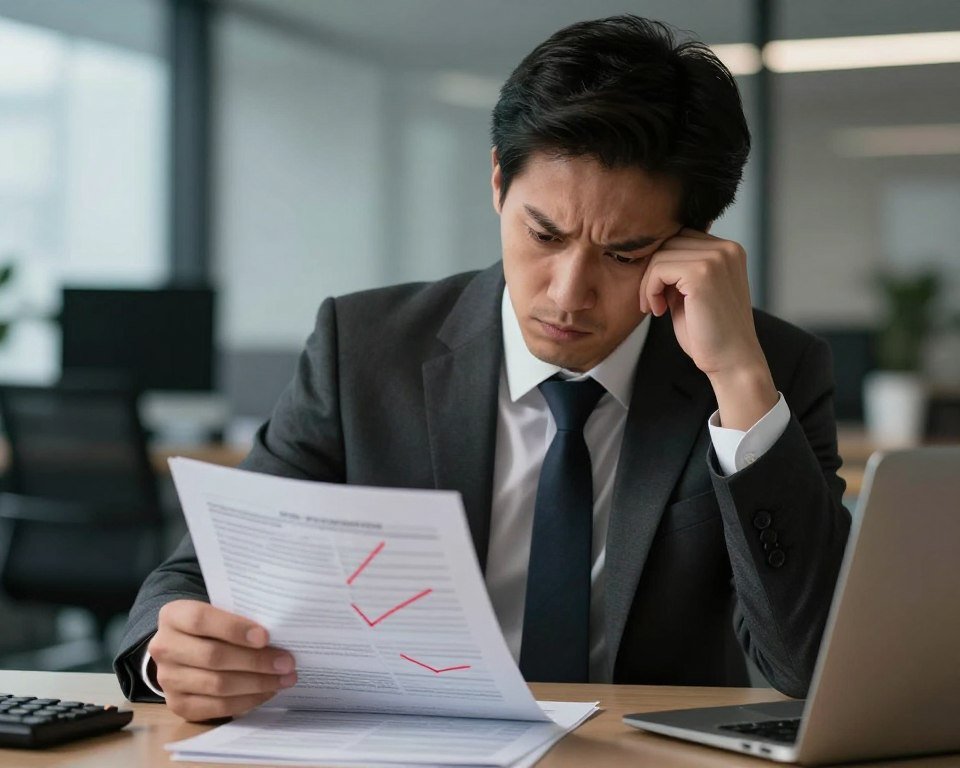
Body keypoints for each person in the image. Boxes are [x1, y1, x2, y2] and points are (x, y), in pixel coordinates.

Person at [115, 15, 850, 723]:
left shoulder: (771, 369)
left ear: (695, 242)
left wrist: (739, 383)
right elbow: (200, 575)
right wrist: (168, 652)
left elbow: (808, 663)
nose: (569, 293)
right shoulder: (365, 349)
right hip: (401, 746)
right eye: (543, 234)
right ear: (499, 182)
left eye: (625, 252)